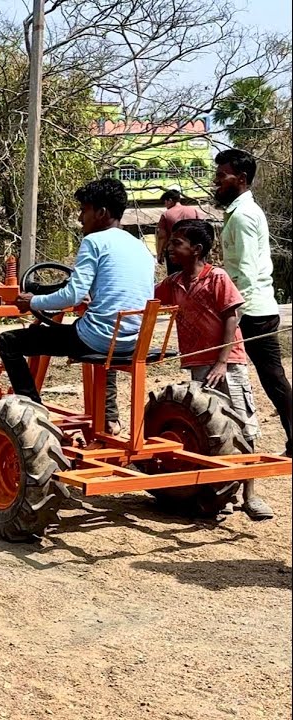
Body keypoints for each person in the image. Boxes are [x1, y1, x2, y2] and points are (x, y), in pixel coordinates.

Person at [0, 178, 153, 431]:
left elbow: (71, 295)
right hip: (133, 339)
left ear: (101, 213)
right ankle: (108, 417)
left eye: (84, 210)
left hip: (100, 338)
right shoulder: (140, 247)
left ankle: (34, 414)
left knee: (9, 341)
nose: (80, 218)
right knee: (103, 339)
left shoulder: (94, 241)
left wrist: (33, 301)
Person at [156, 219, 271, 520]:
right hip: (197, 364)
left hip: (227, 362)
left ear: (196, 250)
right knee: (211, 429)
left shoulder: (216, 277)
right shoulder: (174, 283)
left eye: (177, 243)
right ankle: (223, 493)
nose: (170, 248)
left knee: (243, 426)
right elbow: (147, 298)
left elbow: (232, 316)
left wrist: (222, 361)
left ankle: (250, 495)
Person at [213, 148, 291, 458]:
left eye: (222, 177)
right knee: (271, 377)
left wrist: (232, 315)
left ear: (241, 179)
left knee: (271, 378)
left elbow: (244, 274)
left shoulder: (244, 216)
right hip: (255, 307)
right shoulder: (238, 211)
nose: (216, 182)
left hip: (252, 311)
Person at [155, 189, 201, 275]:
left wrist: (159, 253)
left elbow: (162, 236)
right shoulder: (193, 211)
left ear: (170, 200)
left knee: (175, 278)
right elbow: (200, 230)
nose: (165, 205)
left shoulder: (166, 214)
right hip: (193, 250)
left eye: (165, 202)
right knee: (194, 275)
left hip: (175, 251)